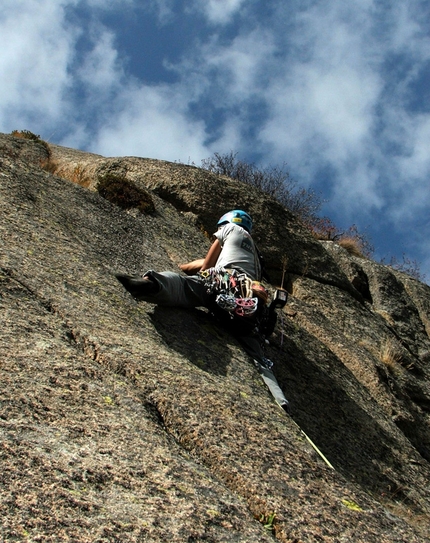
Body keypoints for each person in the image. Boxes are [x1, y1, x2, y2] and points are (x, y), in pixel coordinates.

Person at [116, 209, 290, 413]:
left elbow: (206, 266)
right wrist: (186, 265)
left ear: (225, 222)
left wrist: (184, 269)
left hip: (225, 282)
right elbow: (198, 263)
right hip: (250, 302)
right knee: (258, 357)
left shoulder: (228, 229)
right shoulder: (255, 254)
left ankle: (152, 284)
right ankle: (281, 402)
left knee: (187, 287)